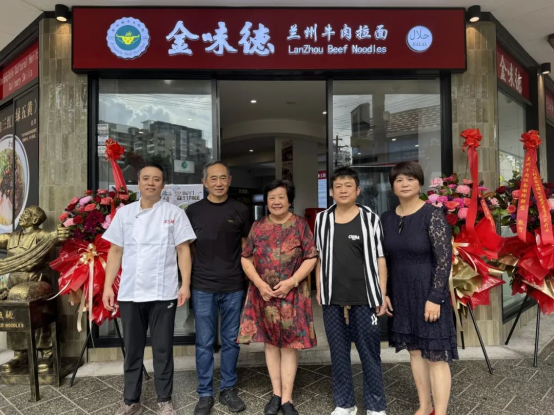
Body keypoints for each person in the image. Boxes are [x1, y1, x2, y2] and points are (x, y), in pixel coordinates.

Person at [102, 164, 196, 416]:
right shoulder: (124, 214)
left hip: (163, 291)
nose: (151, 183)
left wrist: (185, 284)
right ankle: (131, 401)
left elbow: (183, 251)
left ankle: (165, 400)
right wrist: (108, 286)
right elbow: (115, 251)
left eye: (156, 179)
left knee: (163, 349)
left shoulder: (175, 214)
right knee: (132, 349)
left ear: (163, 185)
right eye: (146, 178)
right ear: (138, 182)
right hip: (130, 292)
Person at [381, 161, 456, 416]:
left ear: (420, 183)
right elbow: (384, 260)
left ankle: (440, 412)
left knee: (435, 355)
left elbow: (444, 260)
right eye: (399, 180)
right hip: (401, 293)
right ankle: (424, 406)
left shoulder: (432, 215)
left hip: (428, 293)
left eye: (410, 179)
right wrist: (385, 292)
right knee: (414, 352)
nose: (405, 184)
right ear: (392, 186)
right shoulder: (387, 218)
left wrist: (435, 297)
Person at [238, 180, 318, 416]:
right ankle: (275, 394)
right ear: (266, 201)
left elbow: (311, 257)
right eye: (272, 197)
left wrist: (292, 282)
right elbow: (246, 257)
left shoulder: (300, 225)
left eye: (281, 197)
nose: (276, 201)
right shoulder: (258, 226)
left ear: (289, 200)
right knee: (271, 344)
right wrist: (259, 284)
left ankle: (287, 398)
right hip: (264, 294)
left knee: (290, 346)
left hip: (293, 294)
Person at [315, 166, 389, 416]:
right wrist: (319, 288)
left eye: (348, 186)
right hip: (332, 298)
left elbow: (380, 258)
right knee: (338, 353)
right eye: (338, 186)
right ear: (331, 192)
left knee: (370, 353)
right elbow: (319, 258)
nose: (343, 190)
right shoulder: (322, 219)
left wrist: (381, 293)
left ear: (358, 190)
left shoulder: (370, 218)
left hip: (365, 297)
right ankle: (345, 403)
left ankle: (376, 406)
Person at [186, 161, 251, 416]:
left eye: (223, 178)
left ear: (230, 180)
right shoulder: (193, 211)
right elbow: (189, 248)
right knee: (204, 342)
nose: (218, 183)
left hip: (233, 284)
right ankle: (205, 393)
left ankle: (228, 389)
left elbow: (246, 246)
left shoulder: (241, 210)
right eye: (213, 178)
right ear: (205, 182)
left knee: (231, 341)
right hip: (203, 285)